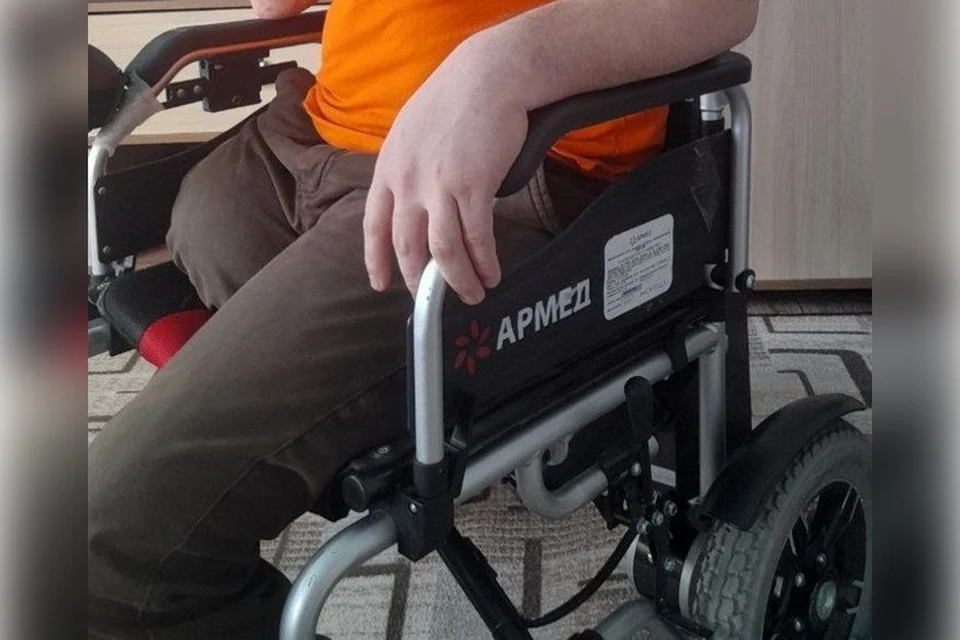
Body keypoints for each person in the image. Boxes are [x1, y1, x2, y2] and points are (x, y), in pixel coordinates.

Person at [88, 0, 759, 637]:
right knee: (201, 218)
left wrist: (497, 67)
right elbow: (271, 9)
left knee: (104, 548)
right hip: (304, 138)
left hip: (491, 181)